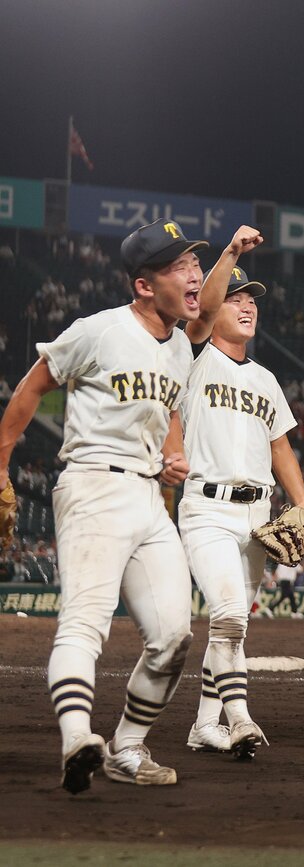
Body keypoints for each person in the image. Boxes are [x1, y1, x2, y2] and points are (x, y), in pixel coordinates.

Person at [0, 218, 202, 791]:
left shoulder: (181, 346)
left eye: (194, 263)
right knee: (84, 624)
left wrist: (174, 452)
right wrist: (0, 464)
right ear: (144, 285)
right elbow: (34, 386)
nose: (194, 273)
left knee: (173, 635)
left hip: (147, 497)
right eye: (180, 266)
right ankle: (76, 741)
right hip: (91, 485)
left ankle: (128, 749)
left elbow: (171, 411)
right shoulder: (98, 331)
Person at [178, 225, 304, 760]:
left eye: (251, 298)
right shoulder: (190, 358)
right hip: (207, 507)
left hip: (258, 514)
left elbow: (280, 448)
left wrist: (301, 503)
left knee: (232, 628)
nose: (247, 306)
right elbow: (198, 317)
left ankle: (204, 724)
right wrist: (231, 254)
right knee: (230, 614)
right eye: (235, 298)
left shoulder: (265, 379)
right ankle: (240, 716)